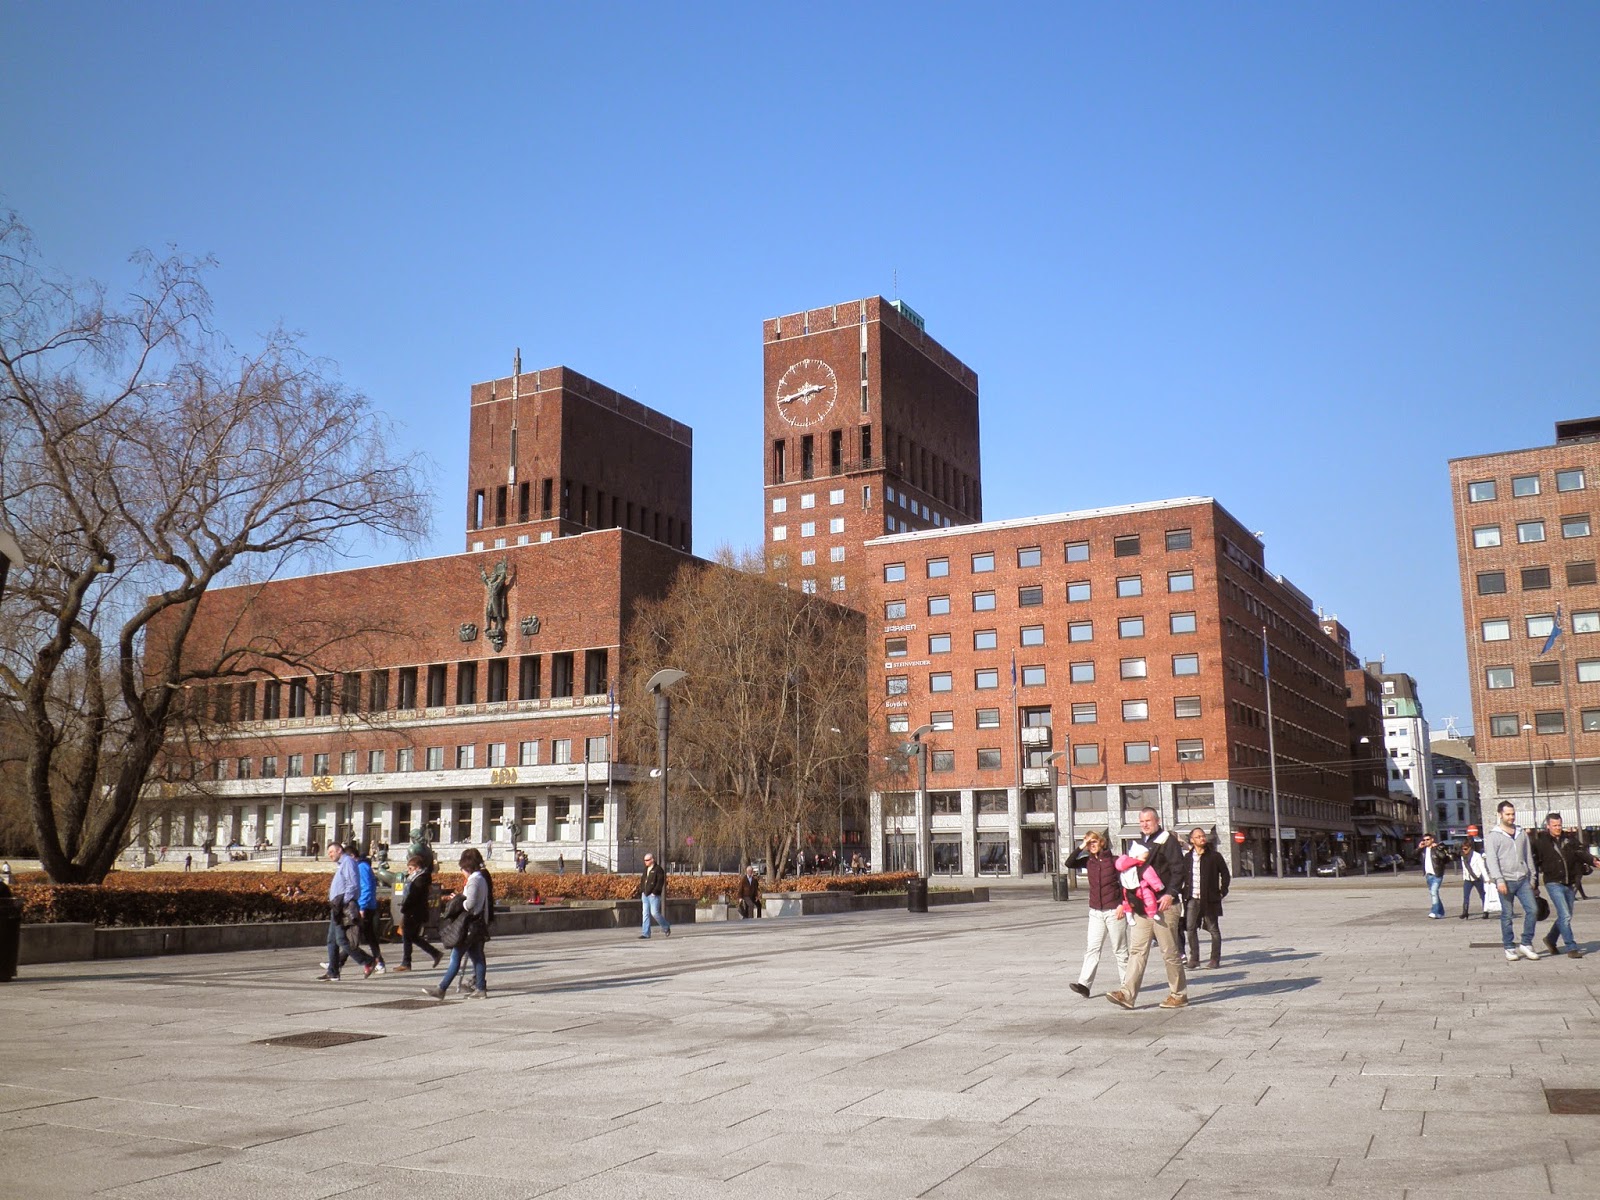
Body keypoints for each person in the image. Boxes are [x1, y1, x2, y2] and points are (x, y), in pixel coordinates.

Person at [1106, 807, 1189, 1011]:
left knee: (1169, 951)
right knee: (1137, 951)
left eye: (1148, 821)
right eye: (1141, 821)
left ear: (1157, 821)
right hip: (1142, 907)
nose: (1144, 824)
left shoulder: (1167, 840)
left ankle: (1178, 994)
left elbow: (1179, 869)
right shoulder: (1139, 843)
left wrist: (1170, 893)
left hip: (1164, 905)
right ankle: (1127, 994)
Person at [1064, 830, 1127, 999]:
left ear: (1102, 843)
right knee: (1092, 948)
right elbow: (1069, 863)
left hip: (1115, 910)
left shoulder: (1114, 861)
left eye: (1094, 841)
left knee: (1120, 950)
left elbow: (1126, 884)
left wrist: (1124, 904)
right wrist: (1082, 846)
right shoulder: (1088, 861)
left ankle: (1127, 985)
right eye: (1088, 842)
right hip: (1096, 912)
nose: (1091, 845)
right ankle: (1084, 984)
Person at [423, 848, 492, 999]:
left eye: (462, 868)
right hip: (476, 925)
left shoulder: (474, 880)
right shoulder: (481, 878)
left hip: (469, 924)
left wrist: (459, 900)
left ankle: (442, 988)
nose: (461, 871)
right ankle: (480, 989)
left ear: (467, 867)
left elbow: (470, 903)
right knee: (477, 958)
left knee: (456, 957)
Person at [1485, 800, 1542, 963]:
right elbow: (1492, 860)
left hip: (1523, 878)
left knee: (1533, 910)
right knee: (1507, 914)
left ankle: (1526, 942)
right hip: (1506, 880)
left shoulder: (1521, 832)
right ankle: (1509, 947)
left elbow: (1528, 856)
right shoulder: (1494, 835)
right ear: (1500, 815)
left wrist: (1532, 877)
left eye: (1513, 814)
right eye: (1508, 814)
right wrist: (1499, 880)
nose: (1511, 817)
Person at [1532, 813, 1587, 959]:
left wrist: (1594, 861)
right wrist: (1535, 885)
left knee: (1565, 915)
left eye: (1559, 825)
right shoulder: (1540, 843)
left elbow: (1581, 853)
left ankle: (1550, 939)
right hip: (1553, 882)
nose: (1558, 828)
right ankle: (1571, 947)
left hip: (1569, 881)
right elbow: (1535, 866)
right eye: (1555, 825)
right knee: (1566, 915)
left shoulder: (1569, 839)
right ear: (1548, 826)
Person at [319, 842, 374, 981]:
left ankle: (367, 961)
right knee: (331, 940)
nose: (329, 855)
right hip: (337, 906)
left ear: (339, 850)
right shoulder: (341, 865)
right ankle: (333, 971)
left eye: (331, 852)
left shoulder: (348, 862)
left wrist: (344, 901)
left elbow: (353, 884)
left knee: (341, 939)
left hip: (343, 906)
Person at [1183, 828, 1231, 969]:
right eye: (1198, 837)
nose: (1202, 839)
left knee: (1213, 929)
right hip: (1192, 898)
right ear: (1192, 840)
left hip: (1209, 899)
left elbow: (1225, 875)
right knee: (1190, 928)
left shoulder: (1214, 856)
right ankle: (1194, 958)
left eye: (1203, 836)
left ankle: (1214, 959)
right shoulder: (1187, 858)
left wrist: (1222, 892)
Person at [396, 854, 442, 972]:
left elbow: (413, 896)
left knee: (407, 936)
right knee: (413, 937)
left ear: (417, 868)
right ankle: (435, 953)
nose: (408, 871)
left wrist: (405, 908)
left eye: (410, 868)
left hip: (414, 912)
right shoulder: (419, 878)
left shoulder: (420, 879)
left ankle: (406, 963)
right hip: (415, 911)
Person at [352, 845, 388, 974]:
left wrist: (362, 907)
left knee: (350, 938)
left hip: (365, 907)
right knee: (368, 937)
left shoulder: (361, 867)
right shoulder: (363, 866)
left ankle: (336, 963)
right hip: (368, 906)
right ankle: (379, 962)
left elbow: (366, 888)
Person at [639, 852, 670, 939]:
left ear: (652, 860)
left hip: (654, 896)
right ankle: (646, 933)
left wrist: (654, 892)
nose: (645, 862)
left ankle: (666, 926)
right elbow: (643, 880)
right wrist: (642, 891)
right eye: (644, 860)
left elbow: (660, 882)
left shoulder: (658, 869)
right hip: (645, 894)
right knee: (645, 914)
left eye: (647, 860)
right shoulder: (646, 869)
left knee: (654, 913)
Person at [1419, 835, 1448, 919]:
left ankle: (1434, 912)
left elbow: (1443, 857)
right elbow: (1414, 855)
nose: (1426, 841)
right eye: (1424, 840)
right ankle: (1441, 913)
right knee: (1434, 893)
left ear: (1432, 840)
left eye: (1428, 839)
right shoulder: (1423, 850)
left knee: (1434, 892)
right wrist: (1419, 848)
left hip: (1437, 874)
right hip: (1428, 875)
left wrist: (1438, 848)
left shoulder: (1436, 848)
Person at [1459, 839, 1489, 919]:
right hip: (1468, 879)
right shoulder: (1463, 856)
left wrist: (1486, 878)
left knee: (1482, 895)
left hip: (1477, 878)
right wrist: (1464, 877)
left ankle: (1485, 911)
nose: (1463, 850)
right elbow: (1464, 868)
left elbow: (1482, 868)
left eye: (1465, 849)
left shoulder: (1477, 856)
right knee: (1466, 895)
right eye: (1462, 848)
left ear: (1470, 848)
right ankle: (1465, 912)